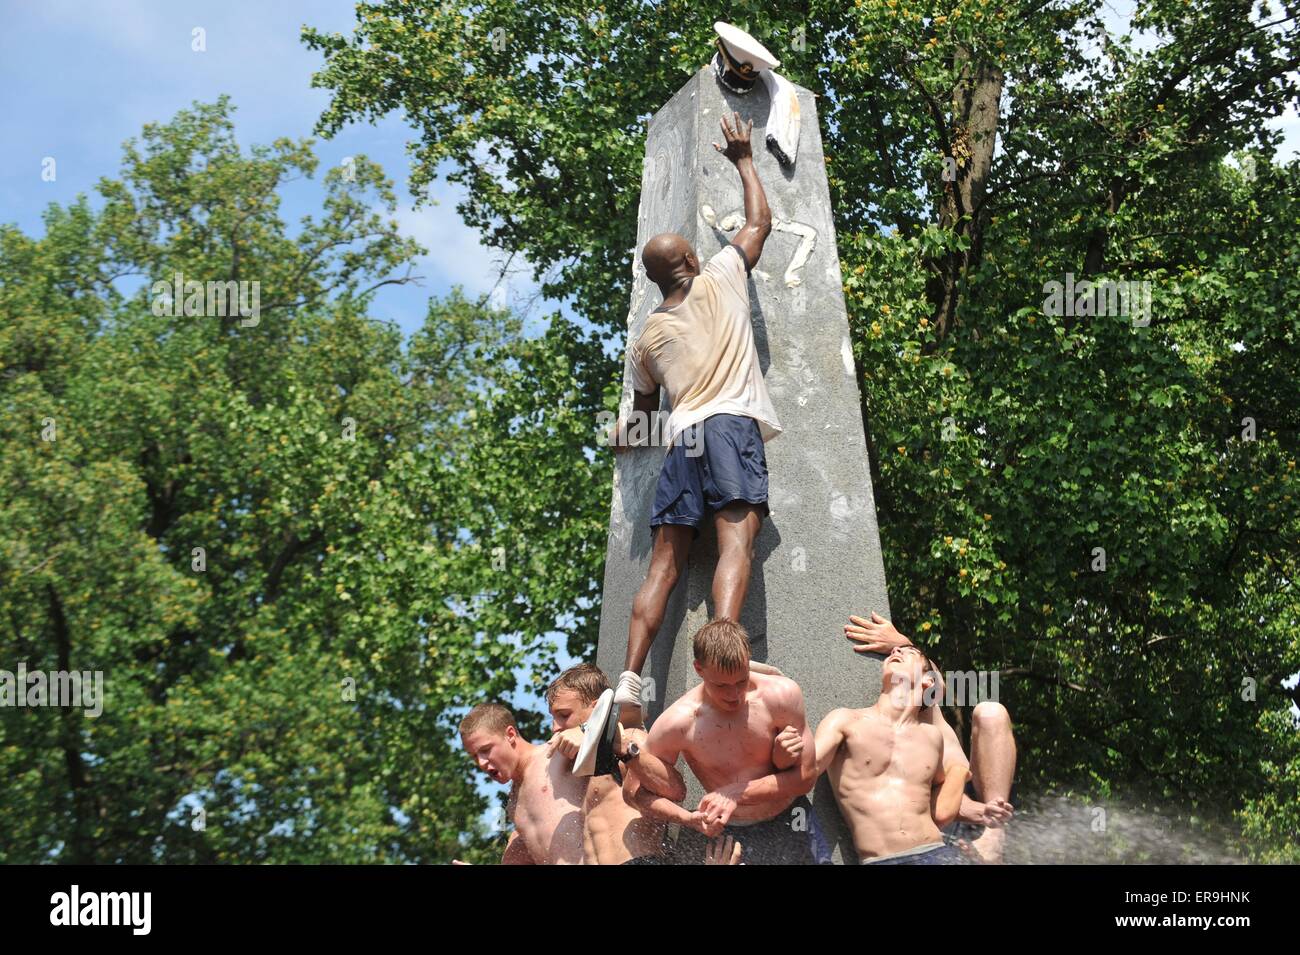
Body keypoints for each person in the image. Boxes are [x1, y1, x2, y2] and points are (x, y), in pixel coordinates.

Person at [607, 111, 782, 727]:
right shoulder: (723, 277)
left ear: (655, 278)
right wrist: (742, 158)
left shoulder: (647, 338)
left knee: (666, 564)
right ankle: (726, 658)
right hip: (732, 428)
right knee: (737, 543)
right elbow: (761, 222)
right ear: (689, 258)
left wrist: (618, 440)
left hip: (682, 441)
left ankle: (629, 681)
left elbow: (642, 420)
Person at [621, 619, 819, 864]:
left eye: (741, 681)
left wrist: (735, 792)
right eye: (722, 685)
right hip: (729, 832)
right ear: (698, 669)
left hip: (792, 816)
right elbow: (633, 794)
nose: (734, 695)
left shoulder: (781, 694)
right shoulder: (677, 723)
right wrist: (686, 818)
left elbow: (806, 777)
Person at [844, 612, 1017, 862]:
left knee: (992, 713)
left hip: (981, 807)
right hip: (937, 826)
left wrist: (902, 643)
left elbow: (935, 684)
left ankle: (994, 838)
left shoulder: (926, 710)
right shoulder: (866, 727)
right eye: (897, 656)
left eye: (908, 657)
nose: (897, 656)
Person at [805, 645, 970, 864]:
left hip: (937, 854)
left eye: (908, 653)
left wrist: (959, 774)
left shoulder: (932, 737)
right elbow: (804, 771)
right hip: (883, 859)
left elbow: (944, 794)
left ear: (927, 681)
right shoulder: (845, 721)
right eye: (893, 651)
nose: (896, 652)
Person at [542, 664, 668, 864]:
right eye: (553, 717)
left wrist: (587, 730)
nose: (554, 727)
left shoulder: (629, 738)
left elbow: (672, 789)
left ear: (596, 707)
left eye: (564, 715)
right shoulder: (582, 768)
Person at [458, 702, 585, 864]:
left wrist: (585, 729)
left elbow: (619, 720)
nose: (481, 762)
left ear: (510, 735)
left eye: (485, 750)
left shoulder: (555, 753)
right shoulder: (514, 805)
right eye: (474, 756)